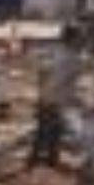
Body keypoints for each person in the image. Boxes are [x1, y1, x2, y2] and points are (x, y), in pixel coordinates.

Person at [30, 24, 85, 168]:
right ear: (73, 39)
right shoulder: (73, 59)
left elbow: (41, 73)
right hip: (56, 100)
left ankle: (34, 162)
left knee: (42, 132)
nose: (82, 40)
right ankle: (49, 163)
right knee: (53, 133)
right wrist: (73, 100)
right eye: (79, 38)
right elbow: (65, 83)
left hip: (46, 97)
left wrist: (41, 92)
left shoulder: (53, 52)